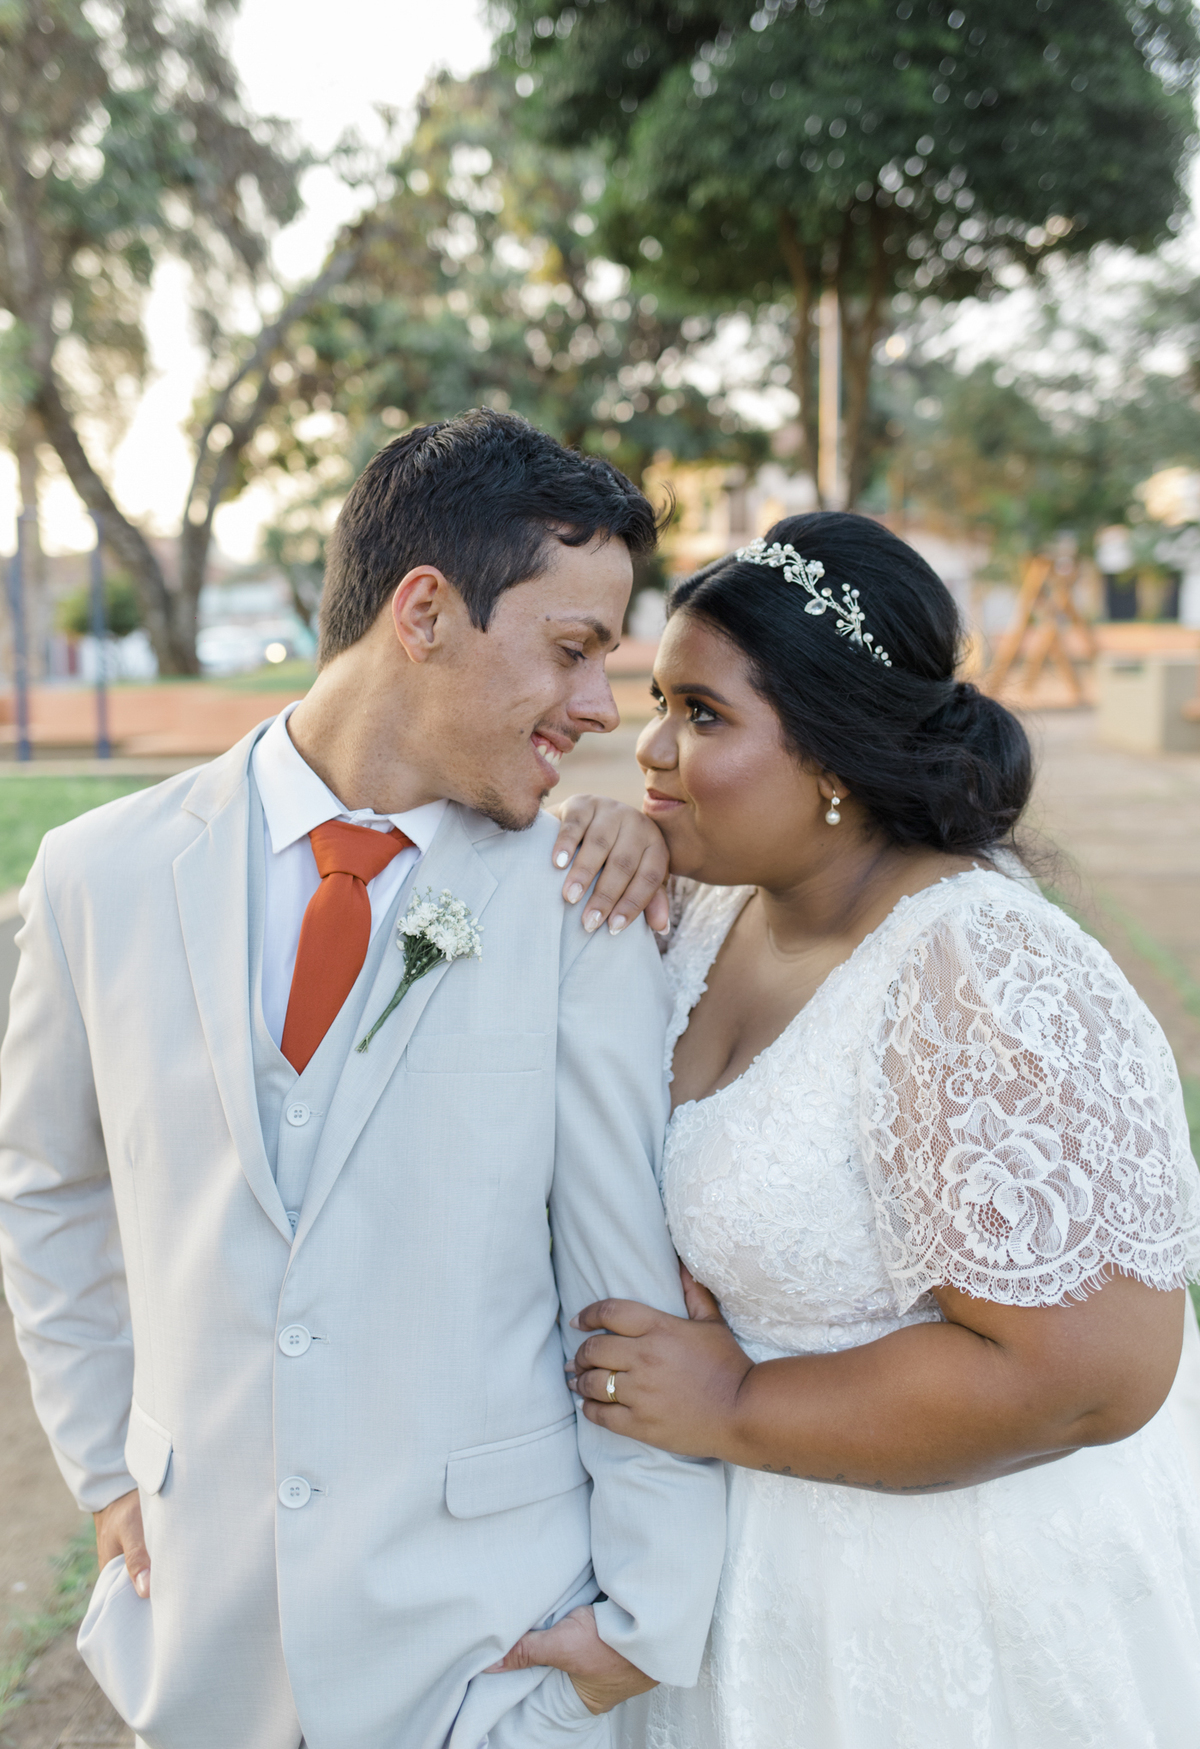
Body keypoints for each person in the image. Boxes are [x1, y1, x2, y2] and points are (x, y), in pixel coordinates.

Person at [0, 410, 724, 1749]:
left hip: (490, 1650)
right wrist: (109, 1462)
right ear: (425, 610)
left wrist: (641, 1619)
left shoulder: (579, 906)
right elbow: (46, 1188)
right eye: (572, 652)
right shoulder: (96, 877)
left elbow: (622, 1283)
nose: (598, 707)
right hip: (204, 1635)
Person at [536, 512, 1200, 1748]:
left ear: (836, 760)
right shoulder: (704, 913)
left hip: (949, 1609)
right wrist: (621, 834)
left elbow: (1091, 1374)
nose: (652, 748)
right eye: (658, 702)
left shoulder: (981, 973)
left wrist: (735, 1400)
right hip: (751, 1583)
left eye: (704, 715)